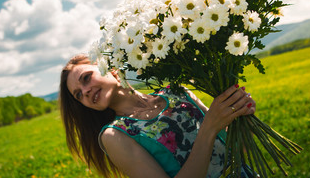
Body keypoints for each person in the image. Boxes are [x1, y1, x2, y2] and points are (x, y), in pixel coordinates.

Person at [59, 54, 256, 178]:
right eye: (78, 95)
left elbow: (240, 149)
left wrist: (239, 113)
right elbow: (211, 127)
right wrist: (210, 127)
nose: (84, 91)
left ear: (110, 69)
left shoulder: (177, 92)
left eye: (86, 78)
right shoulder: (115, 135)